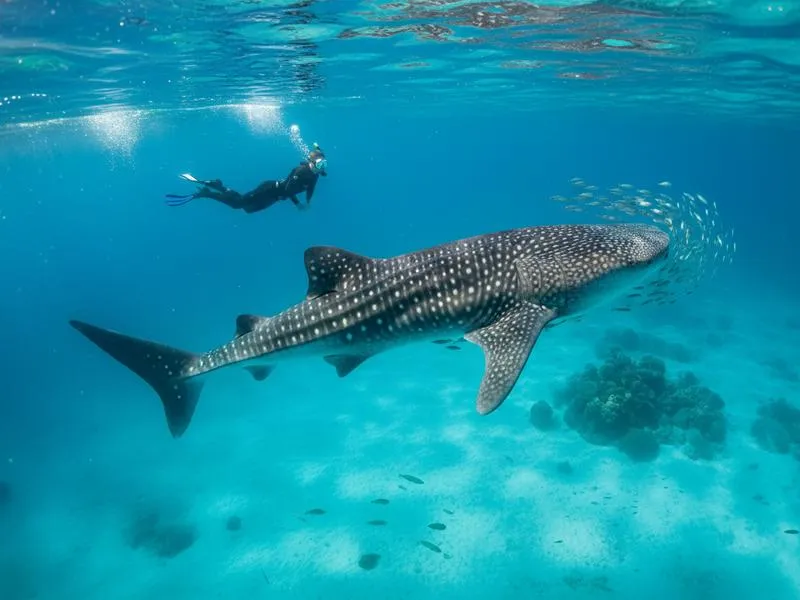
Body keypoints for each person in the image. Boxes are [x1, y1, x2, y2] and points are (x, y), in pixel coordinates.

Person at [165, 144, 328, 213]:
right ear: (312, 162)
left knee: (247, 209)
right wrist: (298, 203)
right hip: (270, 190)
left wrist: (307, 202)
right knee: (238, 204)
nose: (322, 168)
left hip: (275, 197)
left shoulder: (314, 175)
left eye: (324, 164)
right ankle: (208, 192)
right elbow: (288, 189)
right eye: (320, 164)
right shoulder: (300, 170)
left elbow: (310, 189)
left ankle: (219, 187)